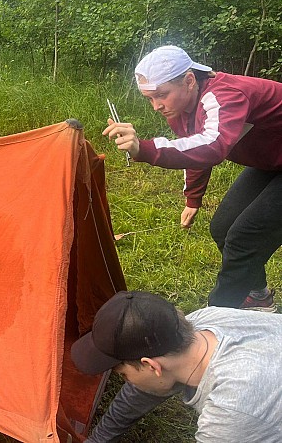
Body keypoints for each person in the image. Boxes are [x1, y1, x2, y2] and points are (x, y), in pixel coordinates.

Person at [103, 45, 282, 310]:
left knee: (244, 239)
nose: (156, 106)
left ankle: (218, 317)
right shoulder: (183, 105)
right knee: (222, 229)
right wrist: (193, 198)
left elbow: (213, 144)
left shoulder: (226, 94)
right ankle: (257, 296)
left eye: (161, 95)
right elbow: (194, 144)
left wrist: (145, 148)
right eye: (149, 98)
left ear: (189, 80)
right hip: (272, 160)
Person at [71, 290, 282, 442]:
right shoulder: (202, 322)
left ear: (152, 366)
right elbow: (141, 392)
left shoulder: (232, 411)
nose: (127, 381)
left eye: (124, 374)